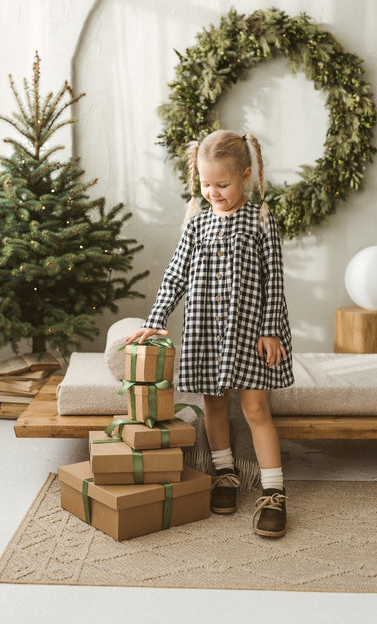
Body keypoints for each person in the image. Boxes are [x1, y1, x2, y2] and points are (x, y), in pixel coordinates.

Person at [126, 129, 294, 537]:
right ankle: (224, 473)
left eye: (223, 184)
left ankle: (274, 492)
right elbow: (176, 274)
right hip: (204, 331)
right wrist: (156, 317)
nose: (213, 192)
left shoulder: (259, 221)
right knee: (214, 405)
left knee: (255, 409)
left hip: (251, 332)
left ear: (246, 176)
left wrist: (270, 331)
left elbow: (274, 280)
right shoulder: (197, 223)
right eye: (206, 184)